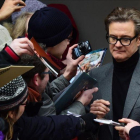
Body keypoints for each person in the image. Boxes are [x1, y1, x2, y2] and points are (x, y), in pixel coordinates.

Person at [89, 7, 140, 140]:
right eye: (113, 38)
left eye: (125, 39)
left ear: (138, 40)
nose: (117, 45)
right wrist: (93, 114)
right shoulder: (95, 75)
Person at [0, 74, 99, 140]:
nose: (26, 105)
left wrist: (82, 122)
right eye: (24, 103)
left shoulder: (16, 123)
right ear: (11, 113)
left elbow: (47, 126)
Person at [18, 54, 98, 116]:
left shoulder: (29, 89)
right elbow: (57, 128)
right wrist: (80, 103)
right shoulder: (31, 107)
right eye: (48, 73)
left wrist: (67, 75)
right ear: (36, 79)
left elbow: (47, 95)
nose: (48, 77)